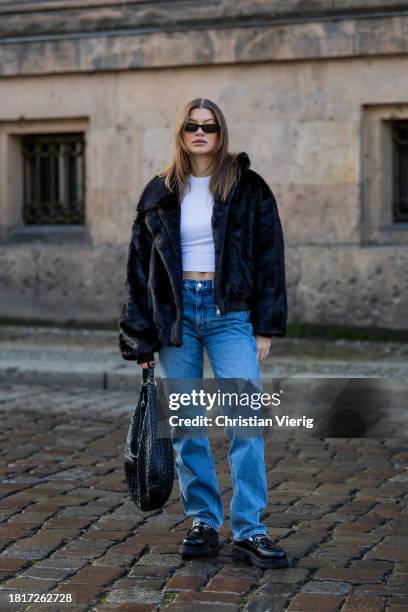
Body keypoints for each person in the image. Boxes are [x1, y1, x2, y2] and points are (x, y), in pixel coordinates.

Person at [118, 97, 289, 569]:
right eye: (192, 126)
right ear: (181, 132)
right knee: (187, 426)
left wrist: (266, 326)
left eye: (209, 127)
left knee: (245, 424)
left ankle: (251, 530)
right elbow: (138, 269)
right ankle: (204, 522)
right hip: (175, 319)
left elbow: (270, 256)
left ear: (220, 133)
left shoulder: (247, 187)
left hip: (230, 313)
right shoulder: (160, 191)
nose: (200, 133)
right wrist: (140, 337)